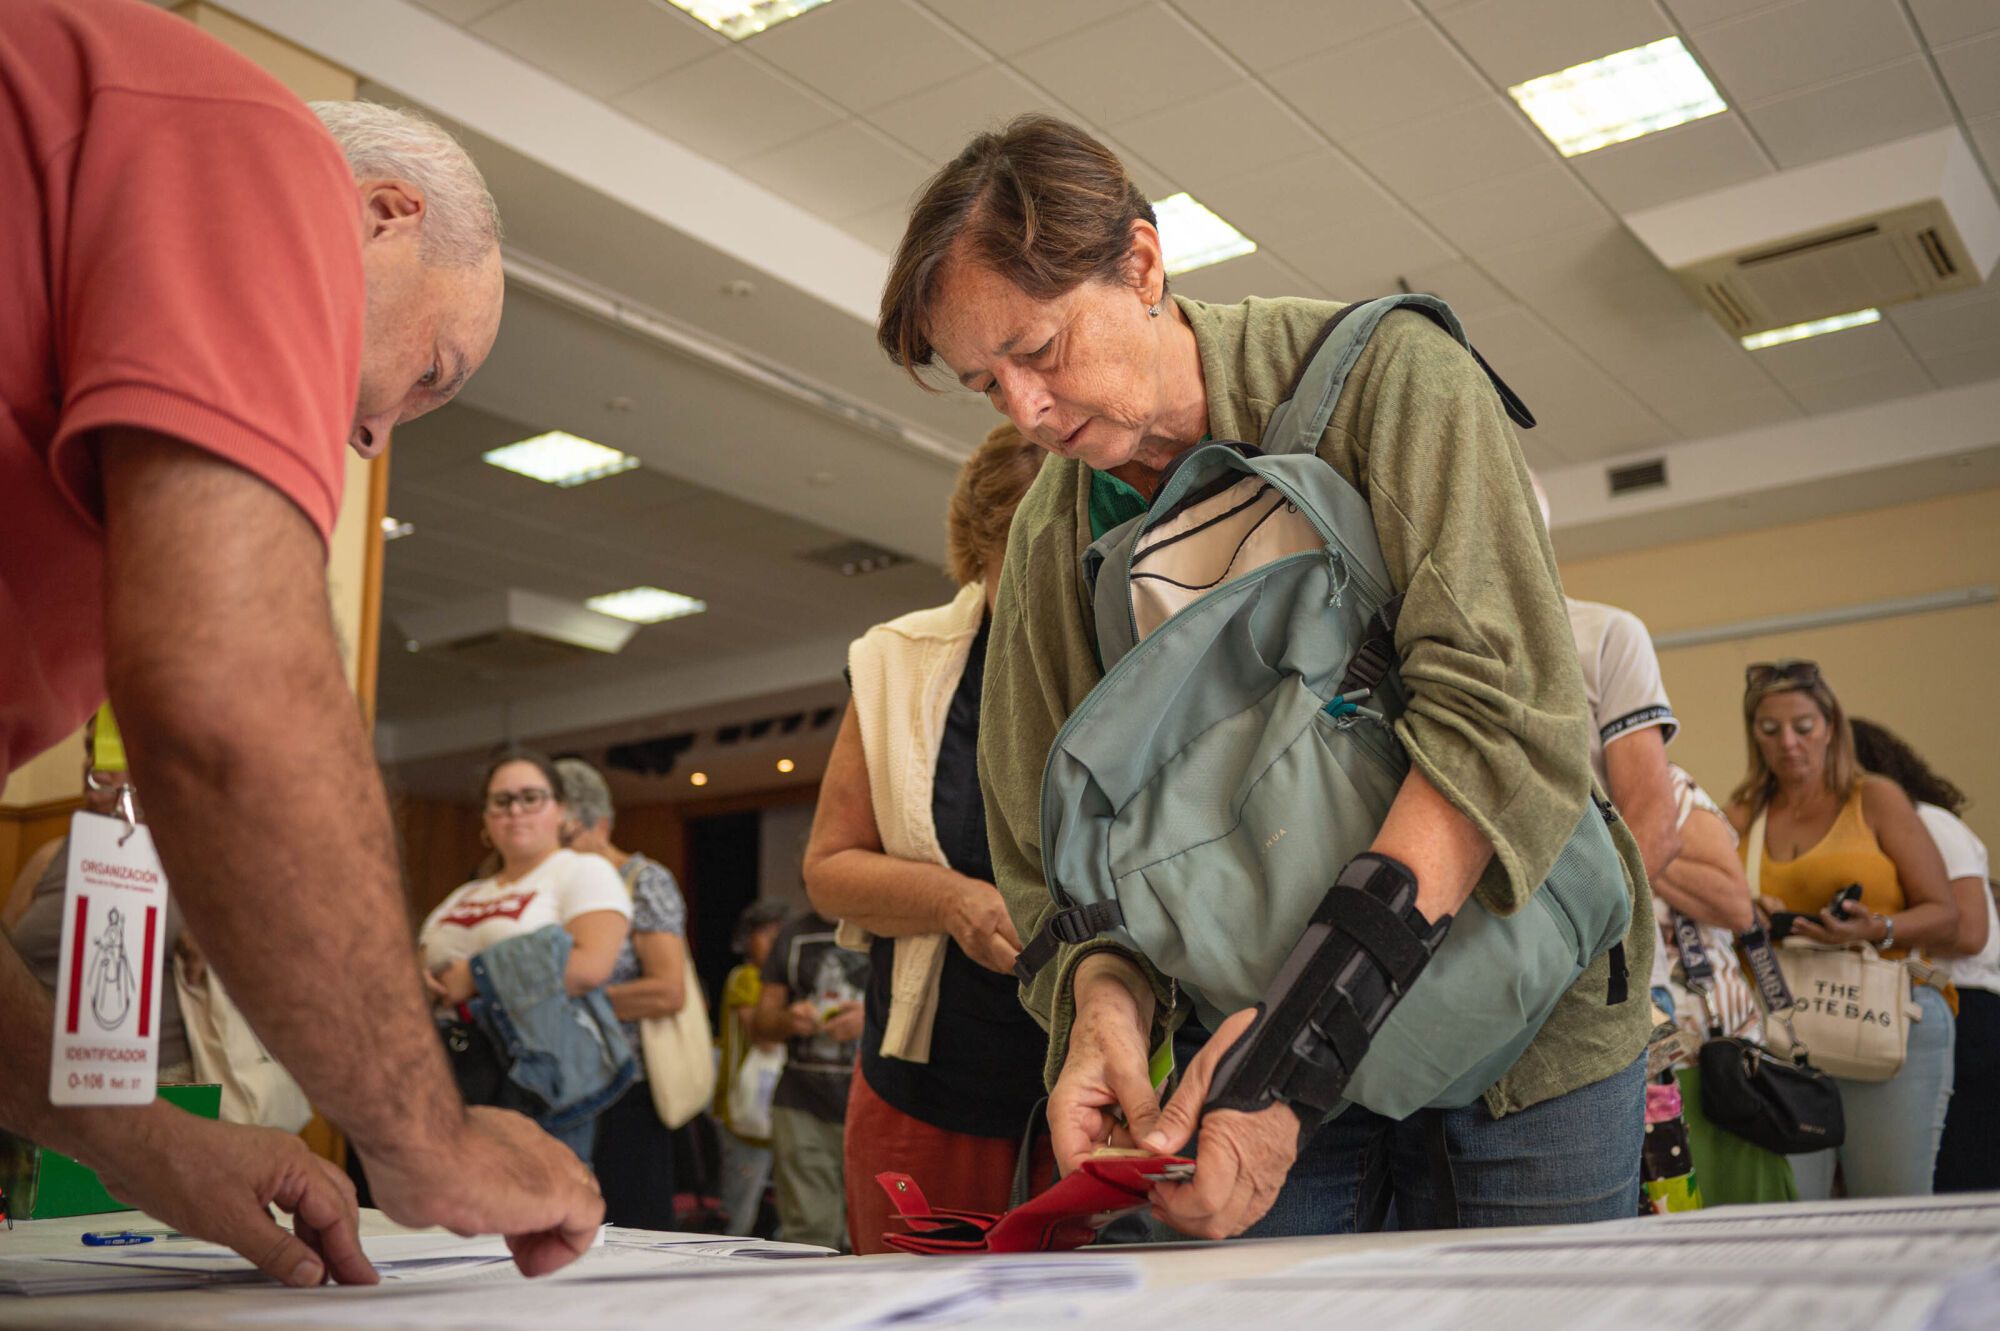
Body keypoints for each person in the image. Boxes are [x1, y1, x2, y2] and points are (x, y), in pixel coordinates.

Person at [875, 114, 1654, 1240]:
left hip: (1525, 1036)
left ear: (1141, 264)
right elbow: (1046, 846)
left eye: (1039, 352)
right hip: (1246, 1063)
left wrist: (1291, 1058)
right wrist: (1102, 1005)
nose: (1027, 414)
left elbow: (1497, 727)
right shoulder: (1051, 539)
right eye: (984, 385)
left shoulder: (1390, 380)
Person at [1, 0, 602, 1286]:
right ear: (381, 215)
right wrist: (423, 1135)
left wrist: (140, 1137)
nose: (376, 433)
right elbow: (227, 703)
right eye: (431, 370)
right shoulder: (252, 146)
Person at [804, 426, 1052, 1256]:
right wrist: (954, 900)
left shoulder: (1137, 649)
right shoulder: (896, 662)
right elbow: (830, 871)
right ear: (978, 548)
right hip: (932, 1073)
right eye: (1020, 566)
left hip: (1108, 1073)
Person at [1726, 662, 1959, 1199]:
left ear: (1831, 725)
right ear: (1753, 734)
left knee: (1891, 1203)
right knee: (1792, 1212)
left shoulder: (1874, 799)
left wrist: (1876, 928)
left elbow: (1948, 917)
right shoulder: (1741, 814)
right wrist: (1740, 912)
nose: (1788, 742)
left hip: (1887, 1020)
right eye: (1769, 729)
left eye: (1803, 726)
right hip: (1786, 1031)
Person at [417, 752, 633, 1160]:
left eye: (531, 797)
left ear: (561, 809)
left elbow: (589, 967)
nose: (515, 810)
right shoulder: (464, 894)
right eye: (501, 801)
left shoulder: (583, 871)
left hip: (534, 1081)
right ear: (485, 819)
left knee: (536, 1213)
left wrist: (476, 977)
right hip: (449, 1076)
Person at [1850, 719, 1999, 1193]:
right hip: (1916, 1008)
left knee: (1964, 1178)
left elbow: (1970, 931)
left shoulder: (1930, 822)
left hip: (1968, 1009)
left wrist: (1871, 931)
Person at [6, 720, 194, 1084]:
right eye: (91, 749)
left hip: (158, 1082)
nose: (95, 764)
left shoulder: (191, 867)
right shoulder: (49, 857)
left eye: (114, 752)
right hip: (33, 1077)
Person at [555, 758, 690, 1230]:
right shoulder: (554, 885)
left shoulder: (643, 882)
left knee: (633, 1228)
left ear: (602, 825)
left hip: (625, 1089)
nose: (558, 850)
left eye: (567, 837)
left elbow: (667, 991)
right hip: (557, 1084)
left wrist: (566, 999)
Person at [1653, 765, 1796, 1206]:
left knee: (1743, 1224)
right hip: (1617, 1059)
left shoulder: (1670, 787)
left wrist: (1627, 848)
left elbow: (1736, 908)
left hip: (1706, 1051)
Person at [751, 909, 869, 1250]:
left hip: (875, 1100)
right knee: (807, 1234)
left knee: (878, 1232)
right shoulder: (791, 935)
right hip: (802, 1101)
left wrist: (872, 1018)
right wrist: (788, 1020)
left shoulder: (892, 924)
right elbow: (762, 1022)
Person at [715, 901, 787, 1237]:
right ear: (747, 940)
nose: (773, 943)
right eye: (765, 934)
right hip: (745, 1109)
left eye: (779, 935)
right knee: (741, 1206)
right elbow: (763, 1037)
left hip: (771, 1110)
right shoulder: (745, 978)